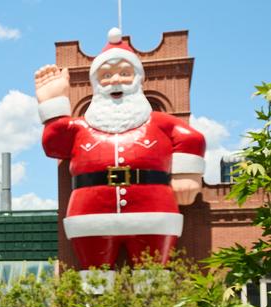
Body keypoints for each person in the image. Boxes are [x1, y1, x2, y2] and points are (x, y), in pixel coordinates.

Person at [35, 28, 206, 269]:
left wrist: (186, 172)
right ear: (96, 83)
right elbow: (54, 145)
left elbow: (191, 137)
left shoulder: (159, 122)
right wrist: (53, 104)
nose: (115, 80)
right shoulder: (80, 128)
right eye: (106, 75)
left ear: (138, 79)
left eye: (125, 73)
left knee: (154, 280)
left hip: (153, 213)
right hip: (90, 216)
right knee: (93, 280)